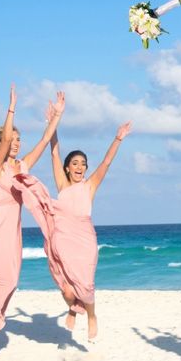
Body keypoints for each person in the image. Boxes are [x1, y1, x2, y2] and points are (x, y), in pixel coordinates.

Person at [0, 85, 65, 352]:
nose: (17, 144)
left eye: (20, 140)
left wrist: (57, 116)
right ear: (1, 144)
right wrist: (11, 108)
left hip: (13, 228)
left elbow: (44, 141)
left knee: (10, 280)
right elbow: (6, 140)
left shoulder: (22, 166)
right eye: (13, 139)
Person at [47, 120, 132, 341]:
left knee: (86, 287)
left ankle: (91, 316)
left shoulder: (90, 185)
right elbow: (55, 154)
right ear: (68, 167)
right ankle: (72, 307)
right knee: (67, 291)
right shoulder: (62, 186)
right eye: (75, 163)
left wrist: (118, 138)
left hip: (85, 242)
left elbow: (106, 162)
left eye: (83, 163)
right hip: (64, 241)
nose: (79, 167)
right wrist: (53, 124)